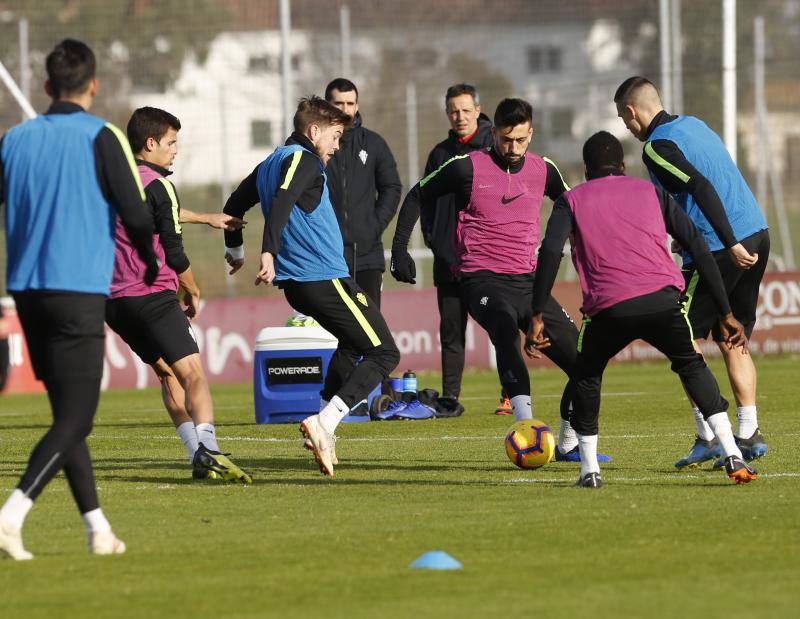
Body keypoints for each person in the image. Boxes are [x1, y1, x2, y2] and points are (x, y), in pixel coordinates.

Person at [0, 39, 159, 559]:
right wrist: (154, 262)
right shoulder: (103, 136)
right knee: (79, 416)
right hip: (77, 290)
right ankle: (13, 512)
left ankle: (98, 529)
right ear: (93, 85)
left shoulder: (14, 140)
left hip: (26, 289)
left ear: (46, 87)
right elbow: (136, 216)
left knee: (67, 414)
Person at [528, 130, 757, 488]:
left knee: (587, 376)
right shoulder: (651, 191)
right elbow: (697, 245)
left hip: (608, 309)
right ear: (622, 166)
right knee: (690, 364)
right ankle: (732, 452)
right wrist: (725, 313)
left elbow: (550, 252)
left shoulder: (571, 201)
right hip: (662, 301)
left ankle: (589, 470)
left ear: (587, 170)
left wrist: (537, 312)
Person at [391, 98, 610, 463]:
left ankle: (569, 443)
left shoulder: (544, 169)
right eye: (506, 140)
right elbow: (417, 194)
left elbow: (576, 209)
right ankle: (526, 432)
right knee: (506, 331)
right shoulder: (466, 168)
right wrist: (400, 248)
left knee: (585, 364)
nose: (513, 149)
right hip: (481, 280)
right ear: (494, 133)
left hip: (528, 282)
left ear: (531, 134)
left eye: (521, 140)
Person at [222, 96, 400, 477]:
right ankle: (325, 422)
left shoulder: (271, 161)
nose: (338, 146)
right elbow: (285, 199)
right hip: (321, 278)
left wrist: (233, 249)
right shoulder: (302, 160)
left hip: (300, 285)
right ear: (313, 131)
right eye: (335, 136)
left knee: (353, 346)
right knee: (384, 353)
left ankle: (324, 424)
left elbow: (234, 204)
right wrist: (266, 252)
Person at [614, 77, 770, 469]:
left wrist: (727, 240)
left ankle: (708, 435)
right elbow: (713, 179)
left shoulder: (655, 147)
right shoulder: (694, 124)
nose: (627, 129)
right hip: (757, 232)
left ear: (632, 112)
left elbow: (699, 186)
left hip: (723, 248)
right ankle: (748, 432)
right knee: (731, 335)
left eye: (623, 119)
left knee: (680, 337)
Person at [104, 106, 251, 484]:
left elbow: (158, 212)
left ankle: (195, 453)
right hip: (152, 294)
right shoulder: (159, 185)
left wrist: (207, 218)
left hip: (114, 302)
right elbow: (173, 249)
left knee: (167, 375)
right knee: (194, 376)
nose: (175, 150)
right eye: (171, 142)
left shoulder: (115, 181)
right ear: (150, 143)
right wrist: (193, 289)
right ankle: (211, 450)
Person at [421, 83, 492, 413]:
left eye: (466, 110)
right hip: (448, 262)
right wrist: (434, 241)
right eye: (453, 111)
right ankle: (451, 398)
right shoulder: (438, 154)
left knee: (500, 327)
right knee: (451, 333)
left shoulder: (493, 147)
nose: (460, 117)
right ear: (447, 113)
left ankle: (511, 395)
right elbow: (425, 202)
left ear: (478, 110)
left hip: (488, 261)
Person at [324, 78, 402, 307]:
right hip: (326, 255)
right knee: (331, 331)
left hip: (367, 257)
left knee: (370, 330)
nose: (345, 109)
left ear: (357, 106)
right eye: (339, 103)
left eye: (350, 103)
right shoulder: (316, 145)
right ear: (327, 105)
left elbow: (392, 187)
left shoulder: (374, 143)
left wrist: (373, 226)